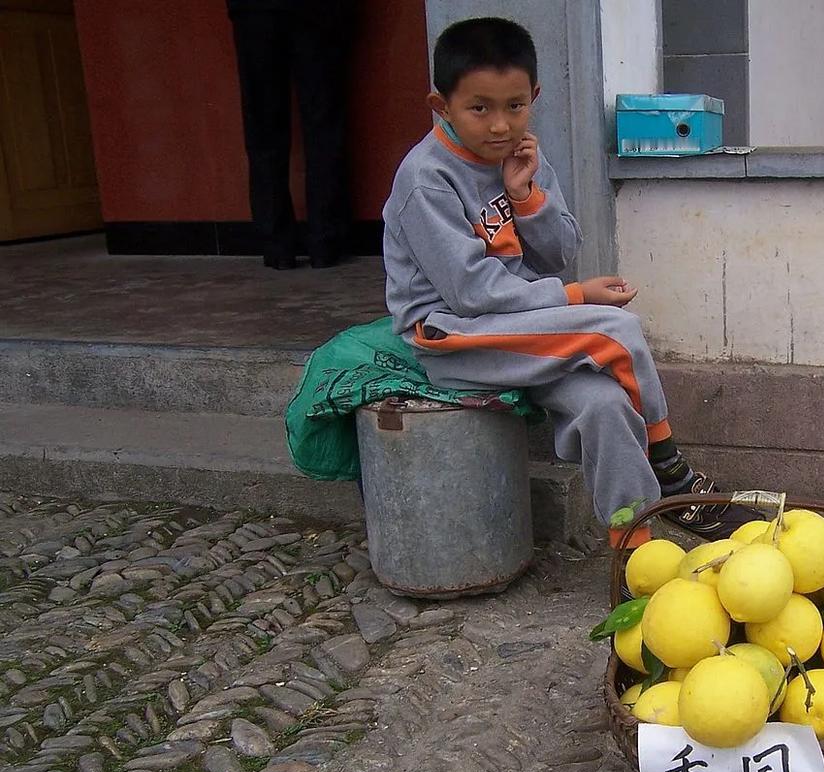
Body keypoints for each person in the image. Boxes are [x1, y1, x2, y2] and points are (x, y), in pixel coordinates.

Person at [383, 17, 757, 548]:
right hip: (450, 337)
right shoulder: (427, 179)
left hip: (518, 330)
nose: (499, 126)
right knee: (615, 330)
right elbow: (470, 292)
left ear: (533, 96)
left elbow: (560, 252)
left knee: (604, 405)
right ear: (441, 106)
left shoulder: (519, 157)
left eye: (514, 106)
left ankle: (635, 548)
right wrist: (575, 297)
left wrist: (525, 197)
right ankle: (674, 473)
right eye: (479, 108)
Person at [227, 0, 352, 270]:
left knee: (263, 126)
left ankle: (276, 244)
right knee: (323, 124)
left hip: (254, 11)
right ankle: (325, 242)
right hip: (318, 11)